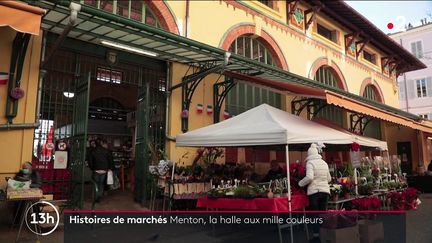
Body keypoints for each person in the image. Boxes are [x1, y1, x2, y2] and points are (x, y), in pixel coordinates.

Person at [298, 143, 331, 243]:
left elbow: (309, 177)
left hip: (314, 193)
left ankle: (316, 237)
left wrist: (300, 183)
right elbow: (329, 179)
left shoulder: (310, 163)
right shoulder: (324, 163)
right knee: (322, 215)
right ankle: (324, 236)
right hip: (325, 191)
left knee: (314, 215)